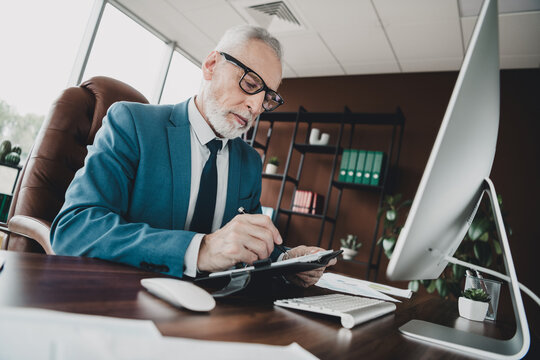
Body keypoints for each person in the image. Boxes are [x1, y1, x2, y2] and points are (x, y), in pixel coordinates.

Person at [51, 25, 335, 287]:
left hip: (213, 313)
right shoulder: (133, 124)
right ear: (211, 66)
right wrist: (200, 250)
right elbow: (76, 227)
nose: (256, 106)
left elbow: (248, 245)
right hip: (125, 302)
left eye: (268, 98)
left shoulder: (248, 162)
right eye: (250, 84)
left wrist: (287, 261)